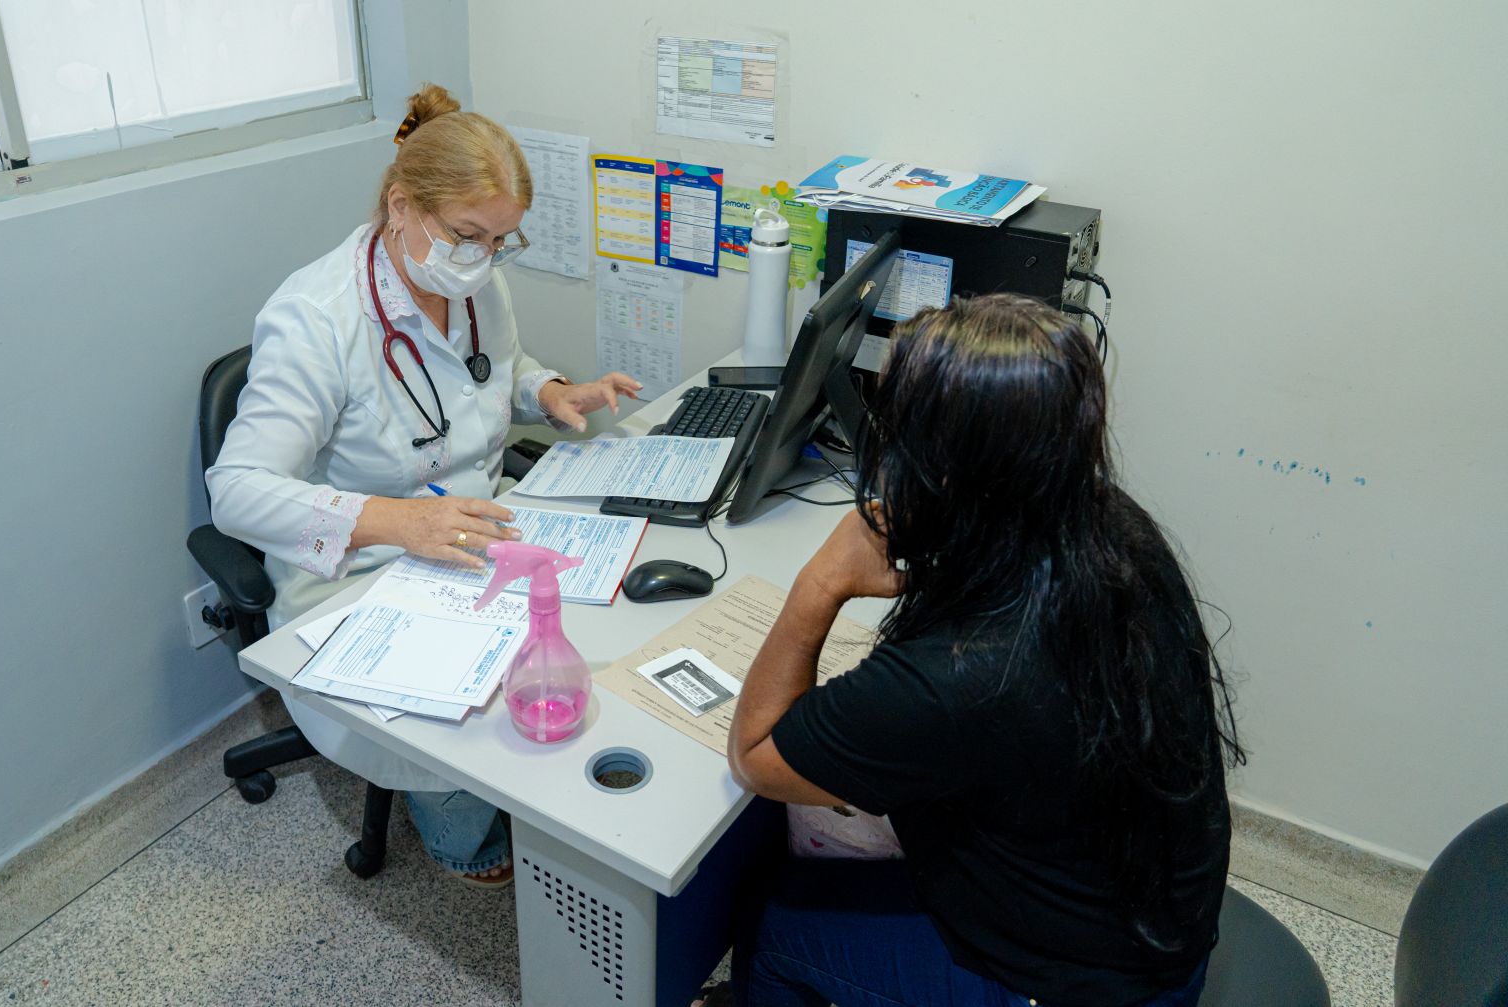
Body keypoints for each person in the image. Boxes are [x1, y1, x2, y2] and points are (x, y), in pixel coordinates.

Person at [701, 294, 1243, 1006]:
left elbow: (757, 755)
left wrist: (821, 583)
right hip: (1147, 918)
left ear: (942, 466)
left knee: (774, 923)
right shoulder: (1111, 525)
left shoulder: (966, 673)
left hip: (1088, 985)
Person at [206, 83, 641, 888]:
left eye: (500, 241)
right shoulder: (317, 317)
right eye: (468, 235)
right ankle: (460, 838)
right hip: (357, 572)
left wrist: (547, 391)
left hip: (469, 533)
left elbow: (495, 370)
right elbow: (234, 489)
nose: (482, 258)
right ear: (399, 205)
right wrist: (395, 521)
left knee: (582, 629)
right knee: (465, 731)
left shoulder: (475, 280)